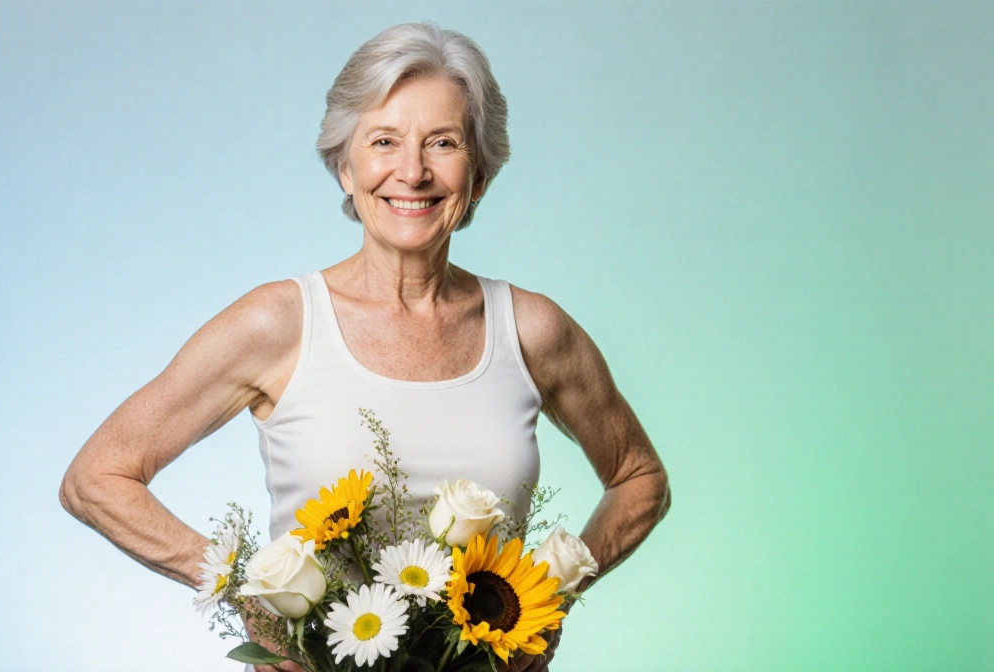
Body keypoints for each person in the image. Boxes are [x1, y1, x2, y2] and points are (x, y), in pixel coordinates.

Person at [60, 22, 671, 672]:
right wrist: (247, 597)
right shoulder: (279, 324)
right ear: (345, 169)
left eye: (443, 143)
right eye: (384, 142)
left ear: (480, 175)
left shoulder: (533, 330)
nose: (412, 171)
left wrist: (547, 600)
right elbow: (96, 478)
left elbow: (641, 480)